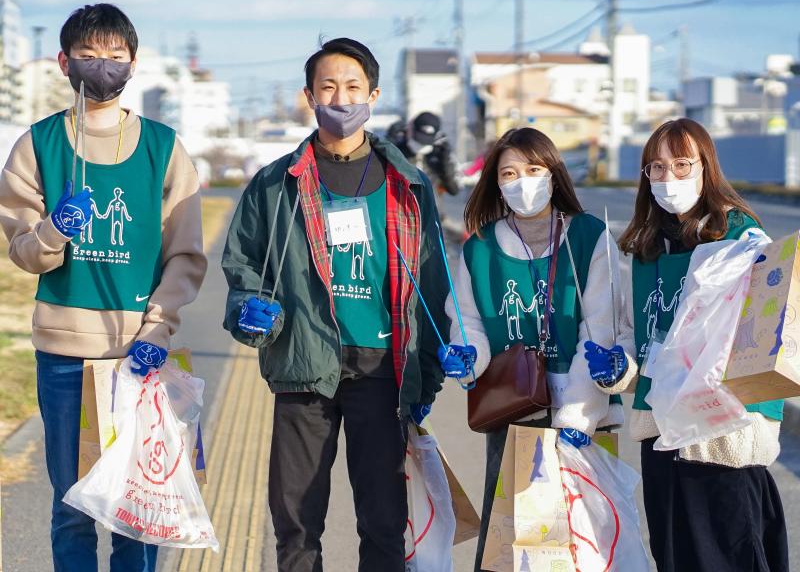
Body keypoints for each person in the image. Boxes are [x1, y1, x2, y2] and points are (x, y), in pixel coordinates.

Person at [221, 37, 449, 572]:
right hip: (304, 364)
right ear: (309, 95)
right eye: (328, 87)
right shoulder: (276, 184)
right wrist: (248, 311)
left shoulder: (408, 186)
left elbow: (432, 286)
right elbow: (242, 267)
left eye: (352, 87)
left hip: (383, 369)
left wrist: (429, 375)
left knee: (385, 522)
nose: (340, 98)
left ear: (373, 94)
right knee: (297, 520)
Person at [0, 4, 207, 571]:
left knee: (136, 509)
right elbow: (22, 252)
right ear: (65, 62)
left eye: (116, 57)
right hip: (65, 357)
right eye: (89, 57)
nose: (103, 67)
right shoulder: (37, 143)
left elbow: (185, 254)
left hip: (137, 356)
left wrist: (159, 328)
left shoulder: (163, 147)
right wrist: (53, 230)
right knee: (73, 506)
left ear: (134, 65)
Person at [595, 118, 788, 571]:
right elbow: (644, 341)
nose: (669, 178)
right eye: (657, 168)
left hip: (719, 437)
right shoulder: (647, 249)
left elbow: (765, 336)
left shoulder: (741, 239)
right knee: (675, 556)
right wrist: (618, 368)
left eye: (682, 165)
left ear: (706, 168)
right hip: (663, 439)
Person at [438, 127, 634, 571]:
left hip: (582, 421)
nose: (522, 181)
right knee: (510, 548)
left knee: (584, 546)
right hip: (512, 415)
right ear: (496, 183)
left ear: (553, 173)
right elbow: (468, 319)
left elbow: (601, 327)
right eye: (509, 173)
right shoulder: (481, 248)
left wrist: (578, 416)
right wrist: (467, 352)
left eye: (533, 169)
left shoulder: (589, 237)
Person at [387, 111, 459, 197]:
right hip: (400, 206)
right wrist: (389, 145)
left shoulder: (440, 153)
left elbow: (454, 189)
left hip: (432, 207)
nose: (421, 145)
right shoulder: (399, 150)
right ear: (410, 130)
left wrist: (444, 163)